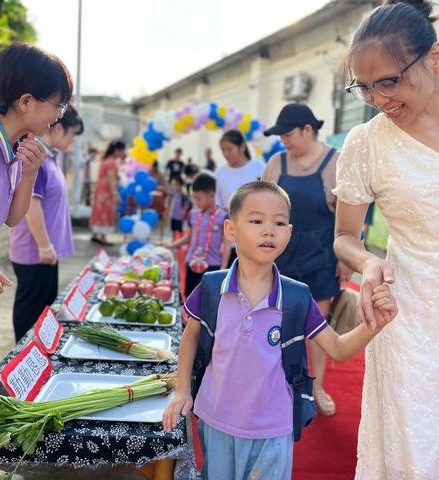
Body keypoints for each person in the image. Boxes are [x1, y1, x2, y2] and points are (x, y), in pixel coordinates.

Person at [163, 181, 397, 480]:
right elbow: (191, 335)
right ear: (231, 230)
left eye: (279, 222)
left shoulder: (297, 297)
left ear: (289, 232)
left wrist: (373, 322)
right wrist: (182, 389)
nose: (269, 230)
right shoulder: (211, 287)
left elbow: (338, 348)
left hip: (273, 428)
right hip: (215, 419)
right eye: (256, 220)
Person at [333, 1, 439, 477]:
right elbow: (345, 238)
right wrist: (367, 263)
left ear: (434, 58)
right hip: (406, 315)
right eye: (364, 87)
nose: (378, 98)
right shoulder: (365, 142)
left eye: (389, 81)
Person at [0, 43, 72, 384]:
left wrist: (32, 174)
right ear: (26, 102)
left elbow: (11, 217)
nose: (59, 115)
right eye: (58, 104)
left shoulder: (13, 144)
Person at [262, 102, 353, 416]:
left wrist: (347, 259)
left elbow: (350, 217)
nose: (284, 141)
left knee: (317, 328)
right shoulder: (276, 164)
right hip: (280, 260)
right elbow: (260, 208)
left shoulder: (335, 163)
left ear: (308, 130)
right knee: (276, 324)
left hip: (319, 258)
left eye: (288, 134)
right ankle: (277, 384)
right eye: (281, 136)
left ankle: (317, 387)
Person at [9, 105, 83, 342]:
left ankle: (35, 353)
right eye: (72, 134)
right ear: (58, 128)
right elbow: (31, 204)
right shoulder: (37, 155)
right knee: (31, 310)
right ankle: (23, 354)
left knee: (43, 310)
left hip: (46, 251)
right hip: (36, 252)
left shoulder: (50, 157)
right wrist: (43, 245)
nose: (72, 140)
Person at [164, 173, 230, 297]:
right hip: (192, 263)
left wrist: (223, 269)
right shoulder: (193, 214)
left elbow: (227, 245)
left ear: (212, 195)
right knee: (189, 297)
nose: (196, 202)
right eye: (195, 198)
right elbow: (189, 238)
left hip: (212, 265)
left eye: (199, 198)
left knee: (208, 300)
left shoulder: (223, 217)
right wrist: (171, 246)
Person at [216, 129, 265, 265]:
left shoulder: (259, 168)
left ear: (242, 147)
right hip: (231, 239)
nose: (226, 154)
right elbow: (218, 204)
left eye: (229, 149)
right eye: (223, 151)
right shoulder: (221, 172)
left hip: (256, 236)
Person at [89, 140, 125, 246]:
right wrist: (114, 193)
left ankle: (96, 234)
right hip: (106, 191)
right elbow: (111, 179)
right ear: (117, 150)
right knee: (105, 212)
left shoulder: (106, 160)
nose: (123, 153)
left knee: (98, 211)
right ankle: (103, 236)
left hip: (100, 189)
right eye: (122, 151)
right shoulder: (111, 162)